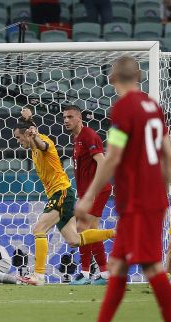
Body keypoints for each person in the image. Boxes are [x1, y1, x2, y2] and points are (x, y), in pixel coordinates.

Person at [64, 56, 171, 322]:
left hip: (138, 198)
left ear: (113, 79)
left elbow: (112, 157)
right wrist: (161, 191)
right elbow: (170, 156)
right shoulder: (153, 107)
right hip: (148, 197)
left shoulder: (123, 108)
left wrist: (87, 198)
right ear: (139, 77)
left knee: (151, 265)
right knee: (116, 266)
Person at [13, 108, 115, 285]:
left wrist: (34, 134)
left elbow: (41, 143)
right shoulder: (34, 143)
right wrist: (28, 119)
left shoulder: (42, 142)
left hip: (62, 192)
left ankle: (38, 275)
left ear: (28, 135)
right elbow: (32, 133)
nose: (17, 141)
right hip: (61, 193)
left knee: (39, 228)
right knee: (74, 240)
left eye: (18, 137)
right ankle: (116, 233)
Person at [64, 105, 110, 285]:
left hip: (96, 190)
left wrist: (92, 192)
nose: (66, 120)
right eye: (64, 118)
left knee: (82, 228)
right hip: (89, 192)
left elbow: (102, 162)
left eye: (69, 117)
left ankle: (84, 273)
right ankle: (105, 275)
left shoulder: (89, 135)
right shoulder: (77, 138)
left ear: (79, 118)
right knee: (91, 231)